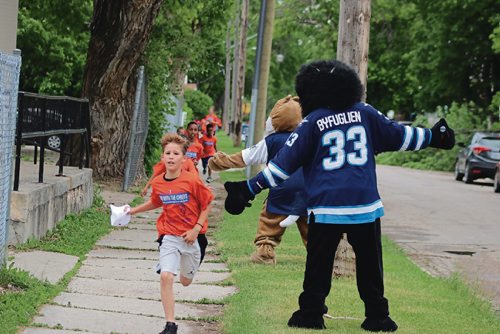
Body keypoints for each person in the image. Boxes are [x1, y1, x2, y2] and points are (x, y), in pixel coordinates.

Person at [223, 60, 455, 331]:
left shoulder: (312, 122)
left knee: (318, 263)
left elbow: (281, 167)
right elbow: (399, 135)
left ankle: (310, 313)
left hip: (326, 207)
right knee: (370, 264)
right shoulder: (365, 113)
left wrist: (248, 189)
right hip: (364, 206)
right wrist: (432, 136)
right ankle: (377, 316)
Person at [128, 133, 214, 334]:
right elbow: (157, 202)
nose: (171, 157)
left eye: (176, 153)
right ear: (162, 157)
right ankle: (170, 325)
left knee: (185, 282)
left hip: (193, 238)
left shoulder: (192, 181)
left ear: (183, 158)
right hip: (169, 235)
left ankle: (190, 261)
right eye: (168, 153)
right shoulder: (158, 182)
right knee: (166, 276)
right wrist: (133, 211)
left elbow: (207, 202)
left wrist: (195, 229)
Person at [208, 95, 308, 264]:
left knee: (270, 219)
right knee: (311, 225)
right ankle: (323, 254)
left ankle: (265, 251)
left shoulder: (271, 141)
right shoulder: (308, 138)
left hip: (280, 189)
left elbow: (246, 157)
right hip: (308, 191)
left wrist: (222, 161)